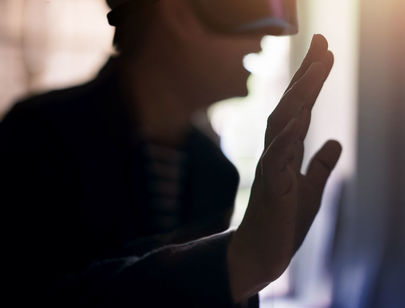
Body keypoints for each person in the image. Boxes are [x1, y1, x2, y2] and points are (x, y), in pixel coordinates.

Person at [0, 0, 341, 306]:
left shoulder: (214, 173)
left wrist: (244, 270)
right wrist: (238, 263)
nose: (262, 40)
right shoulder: (38, 137)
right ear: (179, 14)